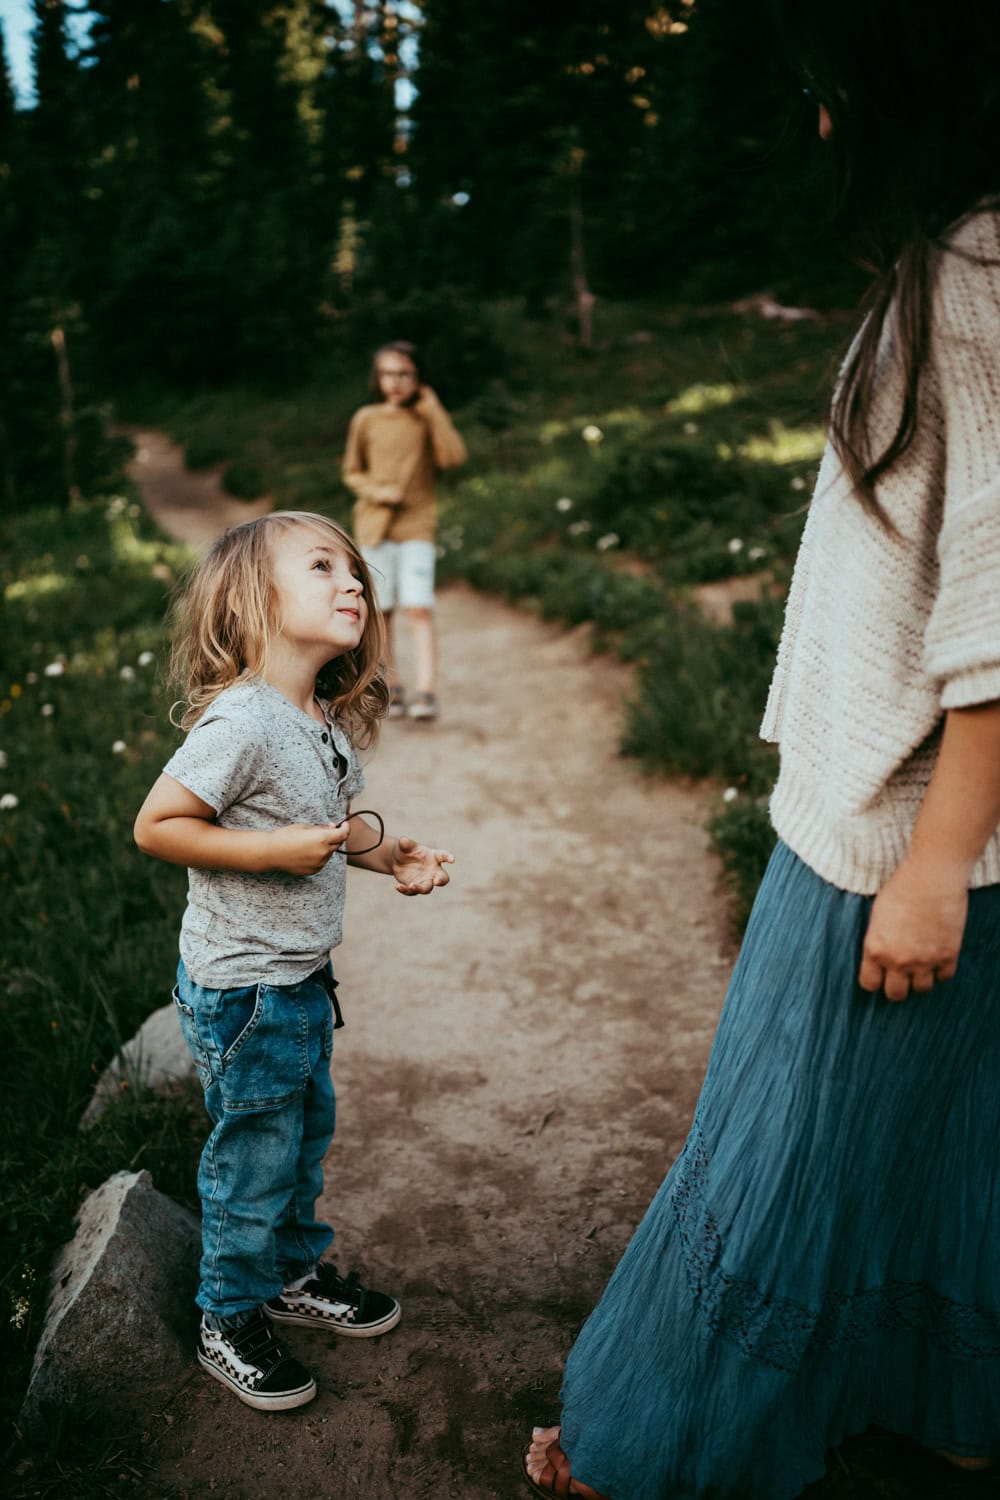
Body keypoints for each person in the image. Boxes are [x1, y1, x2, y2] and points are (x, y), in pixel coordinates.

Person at [523, 1, 1000, 1494]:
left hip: (895, 838)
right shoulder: (968, 260)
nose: (818, 122)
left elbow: (999, 595)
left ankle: (648, 1451)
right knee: (931, 1154)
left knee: (777, 1155)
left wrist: (931, 863)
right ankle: (946, 1399)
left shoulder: (981, 268)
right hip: (930, 832)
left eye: (830, 90)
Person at [133, 510, 454, 1413]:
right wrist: (269, 855)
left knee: (302, 1138)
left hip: (301, 985)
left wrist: (389, 854)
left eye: (356, 571)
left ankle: (289, 1273)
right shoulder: (241, 720)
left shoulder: (318, 721)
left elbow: (330, 827)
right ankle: (226, 1315)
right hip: (243, 990)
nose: (353, 582)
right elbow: (158, 825)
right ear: (251, 601)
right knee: (255, 1154)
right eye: (322, 566)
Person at [342, 340, 467, 723]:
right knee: (381, 611)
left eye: (404, 374)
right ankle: (391, 687)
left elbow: (453, 457)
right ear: (377, 379)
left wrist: (433, 409)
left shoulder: (425, 419)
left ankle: (426, 691)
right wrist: (380, 492)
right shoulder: (366, 419)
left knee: (419, 607)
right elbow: (352, 471)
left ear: (418, 379)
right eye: (387, 373)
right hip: (375, 526)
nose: (395, 381)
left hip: (417, 527)